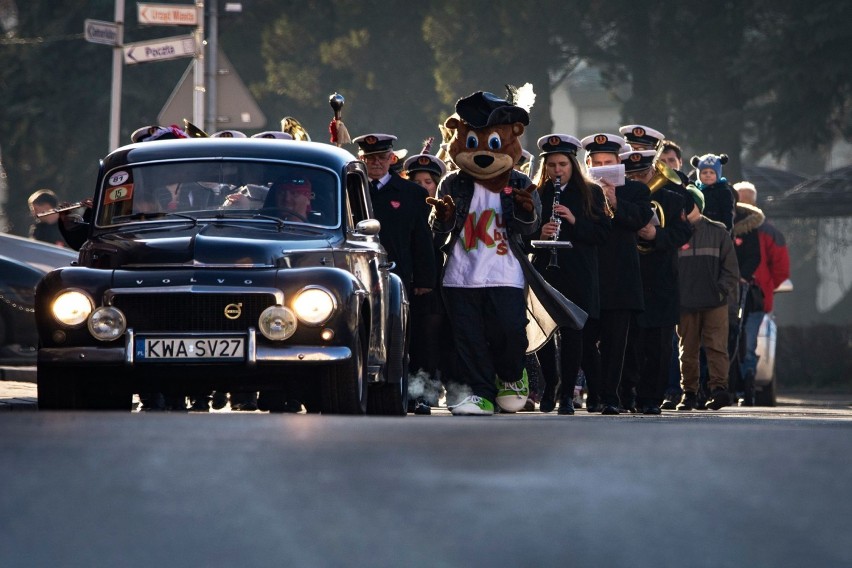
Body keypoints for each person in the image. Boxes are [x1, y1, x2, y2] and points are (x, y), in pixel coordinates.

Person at [532, 134, 611, 415]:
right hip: (545, 271)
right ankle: (550, 382)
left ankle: (566, 393)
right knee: (542, 332)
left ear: (572, 165)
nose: (557, 170)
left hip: (578, 273)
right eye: (552, 165)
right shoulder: (536, 193)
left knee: (573, 334)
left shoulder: (591, 192)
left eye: (562, 164)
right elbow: (523, 230)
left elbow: (603, 233)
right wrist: (539, 232)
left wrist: (575, 221)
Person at [581, 133, 653, 414]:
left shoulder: (635, 192)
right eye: (596, 162)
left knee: (615, 345)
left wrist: (614, 200)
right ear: (588, 164)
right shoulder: (581, 192)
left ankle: (611, 397)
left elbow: (640, 219)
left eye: (607, 162)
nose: (602, 167)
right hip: (588, 278)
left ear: (618, 164)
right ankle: (596, 390)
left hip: (620, 280)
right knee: (584, 341)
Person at [618, 148, 692, 414]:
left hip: (661, 282)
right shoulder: (617, 199)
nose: (639, 180)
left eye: (644, 174)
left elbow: (684, 231)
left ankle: (652, 398)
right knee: (630, 344)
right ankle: (628, 395)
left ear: (653, 171)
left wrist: (656, 236)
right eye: (633, 176)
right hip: (629, 279)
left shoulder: (671, 198)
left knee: (659, 346)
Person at [676, 188, 740, 410]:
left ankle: (718, 390)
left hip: (715, 303)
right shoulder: (676, 232)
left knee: (716, 347)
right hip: (685, 303)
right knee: (688, 350)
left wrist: (719, 292)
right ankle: (689, 393)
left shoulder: (718, 233)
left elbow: (731, 271)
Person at [352, 133, 436, 299]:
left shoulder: (412, 193)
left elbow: (422, 237)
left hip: (398, 272)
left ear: (391, 158)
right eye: (370, 158)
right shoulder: (350, 189)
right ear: (361, 158)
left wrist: (424, 279)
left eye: (382, 157)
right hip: (357, 270)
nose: (376, 162)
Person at [734, 181, 790, 405]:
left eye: (748, 198)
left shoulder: (769, 232)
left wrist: (764, 286)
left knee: (749, 343)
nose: (744, 203)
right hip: (731, 295)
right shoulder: (727, 227)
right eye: (740, 198)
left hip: (757, 299)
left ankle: (748, 383)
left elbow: (781, 270)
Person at [403, 149, 449, 414]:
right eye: (417, 182)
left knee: (429, 341)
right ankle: (407, 391)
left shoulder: (444, 210)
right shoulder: (403, 205)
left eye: (427, 182)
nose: (422, 188)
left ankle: (428, 394)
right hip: (409, 281)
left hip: (436, 285)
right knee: (408, 339)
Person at [729, 192, 765, 401]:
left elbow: (755, 256)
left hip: (742, 289)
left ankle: (746, 385)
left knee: (745, 341)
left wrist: (743, 277)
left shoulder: (749, 228)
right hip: (723, 288)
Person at [689, 153, 735, 232]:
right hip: (697, 231)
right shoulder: (695, 190)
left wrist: (725, 232)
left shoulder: (724, 191)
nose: (708, 175)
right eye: (704, 172)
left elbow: (727, 214)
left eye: (712, 172)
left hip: (717, 231)